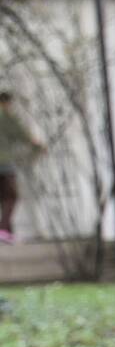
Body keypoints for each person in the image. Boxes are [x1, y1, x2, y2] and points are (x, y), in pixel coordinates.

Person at [0, 92, 43, 243]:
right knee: (11, 197)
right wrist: (37, 146)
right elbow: (21, 134)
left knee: (4, 197)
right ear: (5, 102)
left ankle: (6, 235)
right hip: (4, 163)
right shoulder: (6, 116)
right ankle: (3, 230)